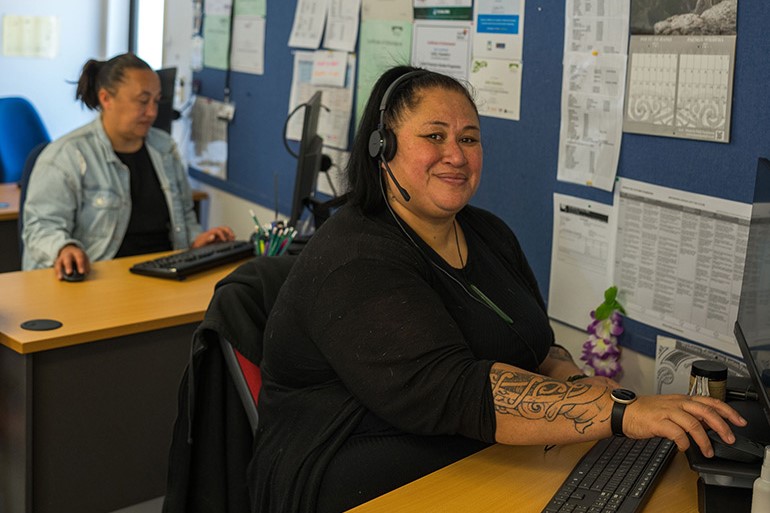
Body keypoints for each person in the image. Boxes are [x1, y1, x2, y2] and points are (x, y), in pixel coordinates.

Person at [250, 66, 746, 512]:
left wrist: (576, 384)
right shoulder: (356, 258)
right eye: (434, 136)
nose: (456, 155)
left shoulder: (487, 232)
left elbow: (534, 342)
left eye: (469, 138)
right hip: (352, 461)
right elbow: (455, 391)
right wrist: (621, 412)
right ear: (383, 148)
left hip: (465, 438)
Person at [22, 53, 234, 278]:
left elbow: (185, 217)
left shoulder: (165, 149)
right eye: (143, 101)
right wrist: (64, 248)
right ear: (106, 99)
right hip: (99, 281)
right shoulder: (66, 156)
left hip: (164, 277)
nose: (152, 112)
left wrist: (197, 240)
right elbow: (40, 228)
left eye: (156, 100)